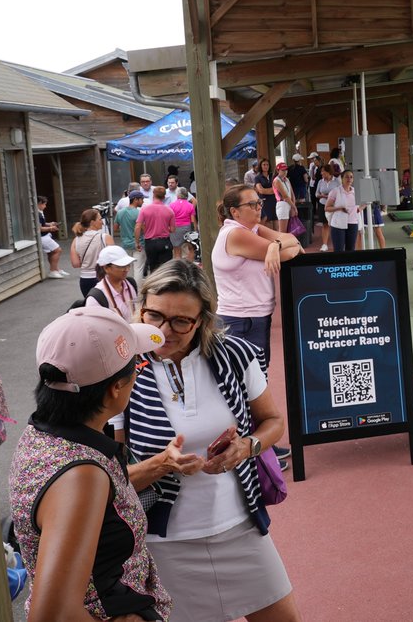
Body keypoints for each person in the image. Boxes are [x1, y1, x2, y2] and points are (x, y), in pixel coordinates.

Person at [126, 261, 301, 622]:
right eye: (154, 315)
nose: (163, 331)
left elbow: (273, 421)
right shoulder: (120, 368)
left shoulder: (234, 354)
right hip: (163, 544)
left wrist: (246, 447)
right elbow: (107, 475)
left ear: (203, 319)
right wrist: (162, 465)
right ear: (141, 307)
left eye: (180, 321)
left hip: (239, 526)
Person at [8, 306, 172, 622]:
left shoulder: (43, 433)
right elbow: (52, 615)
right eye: (135, 366)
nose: (138, 372)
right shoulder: (82, 474)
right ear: (115, 389)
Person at [212, 185, 302, 374]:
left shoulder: (254, 229)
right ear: (235, 212)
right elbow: (289, 252)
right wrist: (278, 248)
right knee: (248, 383)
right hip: (241, 321)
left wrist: (274, 246)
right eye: (252, 204)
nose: (259, 207)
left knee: (257, 379)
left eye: (259, 202)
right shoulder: (236, 233)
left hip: (255, 317)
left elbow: (291, 238)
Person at [86, 245, 139, 320]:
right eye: (121, 266)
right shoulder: (96, 297)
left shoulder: (130, 283)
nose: (126, 269)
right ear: (106, 268)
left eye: (128, 265)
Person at [70, 208, 114, 298]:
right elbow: (114, 260)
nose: (102, 222)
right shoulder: (105, 238)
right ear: (92, 222)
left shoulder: (76, 240)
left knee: (91, 306)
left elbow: (75, 264)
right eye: (100, 219)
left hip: (85, 280)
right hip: (102, 278)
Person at [136, 186, 175, 277]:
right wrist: (164, 227)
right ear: (164, 197)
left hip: (150, 242)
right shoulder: (169, 211)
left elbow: (138, 226)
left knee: (153, 267)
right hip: (164, 241)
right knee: (166, 269)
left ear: (153, 195)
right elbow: (173, 229)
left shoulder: (144, 209)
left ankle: (155, 287)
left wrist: (137, 242)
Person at [324, 169, 364, 253]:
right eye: (346, 177)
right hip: (338, 224)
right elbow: (327, 208)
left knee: (351, 249)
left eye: (351, 177)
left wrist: (359, 209)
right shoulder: (335, 191)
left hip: (353, 223)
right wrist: (339, 208)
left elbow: (365, 202)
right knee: (339, 250)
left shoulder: (355, 192)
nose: (349, 179)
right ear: (342, 179)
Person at [115, 190, 146, 286]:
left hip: (125, 244)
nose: (143, 201)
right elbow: (144, 229)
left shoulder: (120, 212)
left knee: (129, 268)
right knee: (138, 269)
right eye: (142, 199)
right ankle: (137, 291)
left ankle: (129, 288)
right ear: (136, 200)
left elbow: (115, 228)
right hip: (139, 244)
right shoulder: (139, 213)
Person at [36, 196, 67, 278]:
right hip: (43, 237)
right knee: (58, 250)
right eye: (44, 204)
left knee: (52, 252)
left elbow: (42, 224)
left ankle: (56, 269)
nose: (45, 206)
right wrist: (50, 228)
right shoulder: (38, 214)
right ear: (39, 203)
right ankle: (53, 271)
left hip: (45, 236)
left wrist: (50, 223)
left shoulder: (40, 212)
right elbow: (39, 228)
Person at [313, 162, 337, 252]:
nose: (321, 173)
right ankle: (325, 244)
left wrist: (329, 197)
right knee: (325, 225)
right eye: (321, 172)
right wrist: (322, 196)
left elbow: (339, 194)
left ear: (328, 172)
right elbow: (316, 194)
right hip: (323, 205)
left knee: (335, 225)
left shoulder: (336, 181)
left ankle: (337, 243)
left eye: (323, 172)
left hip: (334, 206)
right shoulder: (320, 181)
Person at [169, 187, 196, 260]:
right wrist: (195, 230)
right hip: (187, 227)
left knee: (177, 250)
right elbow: (193, 220)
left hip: (175, 228)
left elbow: (170, 218)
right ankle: (190, 264)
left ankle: (179, 268)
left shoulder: (172, 205)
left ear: (177, 195)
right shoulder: (190, 206)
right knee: (190, 248)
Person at [272, 161, 297, 234]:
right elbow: (285, 196)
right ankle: (281, 245)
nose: (285, 171)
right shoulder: (276, 180)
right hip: (282, 204)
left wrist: (293, 206)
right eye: (282, 170)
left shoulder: (287, 179)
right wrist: (294, 207)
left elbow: (292, 194)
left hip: (289, 203)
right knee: (283, 231)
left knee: (289, 229)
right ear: (278, 170)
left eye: (286, 170)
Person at [252, 158, 276, 224]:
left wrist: (268, 190)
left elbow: (278, 188)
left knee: (277, 224)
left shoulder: (273, 176)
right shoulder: (258, 177)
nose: (266, 166)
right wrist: (273, 190)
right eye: (264, 165)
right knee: (267, 222)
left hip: (274, 200)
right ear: (261, 166)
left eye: (267, 165)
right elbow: (261, 190)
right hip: (264, 202)